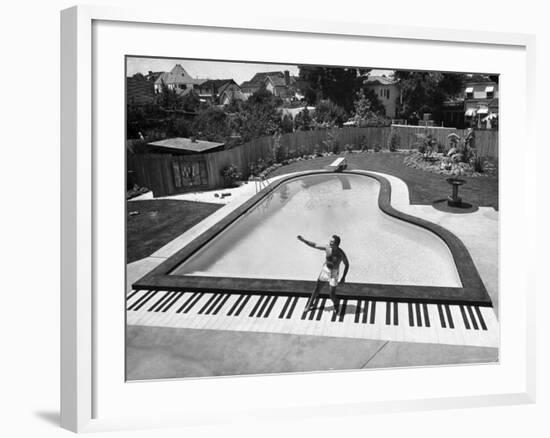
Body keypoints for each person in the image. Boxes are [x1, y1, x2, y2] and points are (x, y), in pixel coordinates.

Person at [297, 234, 349, 314]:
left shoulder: (341, 253)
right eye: (330, 241)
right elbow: (315, 245)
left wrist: (343, 277)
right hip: (325, 270)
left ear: (336, 244)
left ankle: (336, 303)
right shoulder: (327, 248)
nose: (330, 242)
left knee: (331, 294)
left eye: (332, 242)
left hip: (334, 273)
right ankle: (309, 305)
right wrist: (304, 240)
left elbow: (347, 264)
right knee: (316, 289)